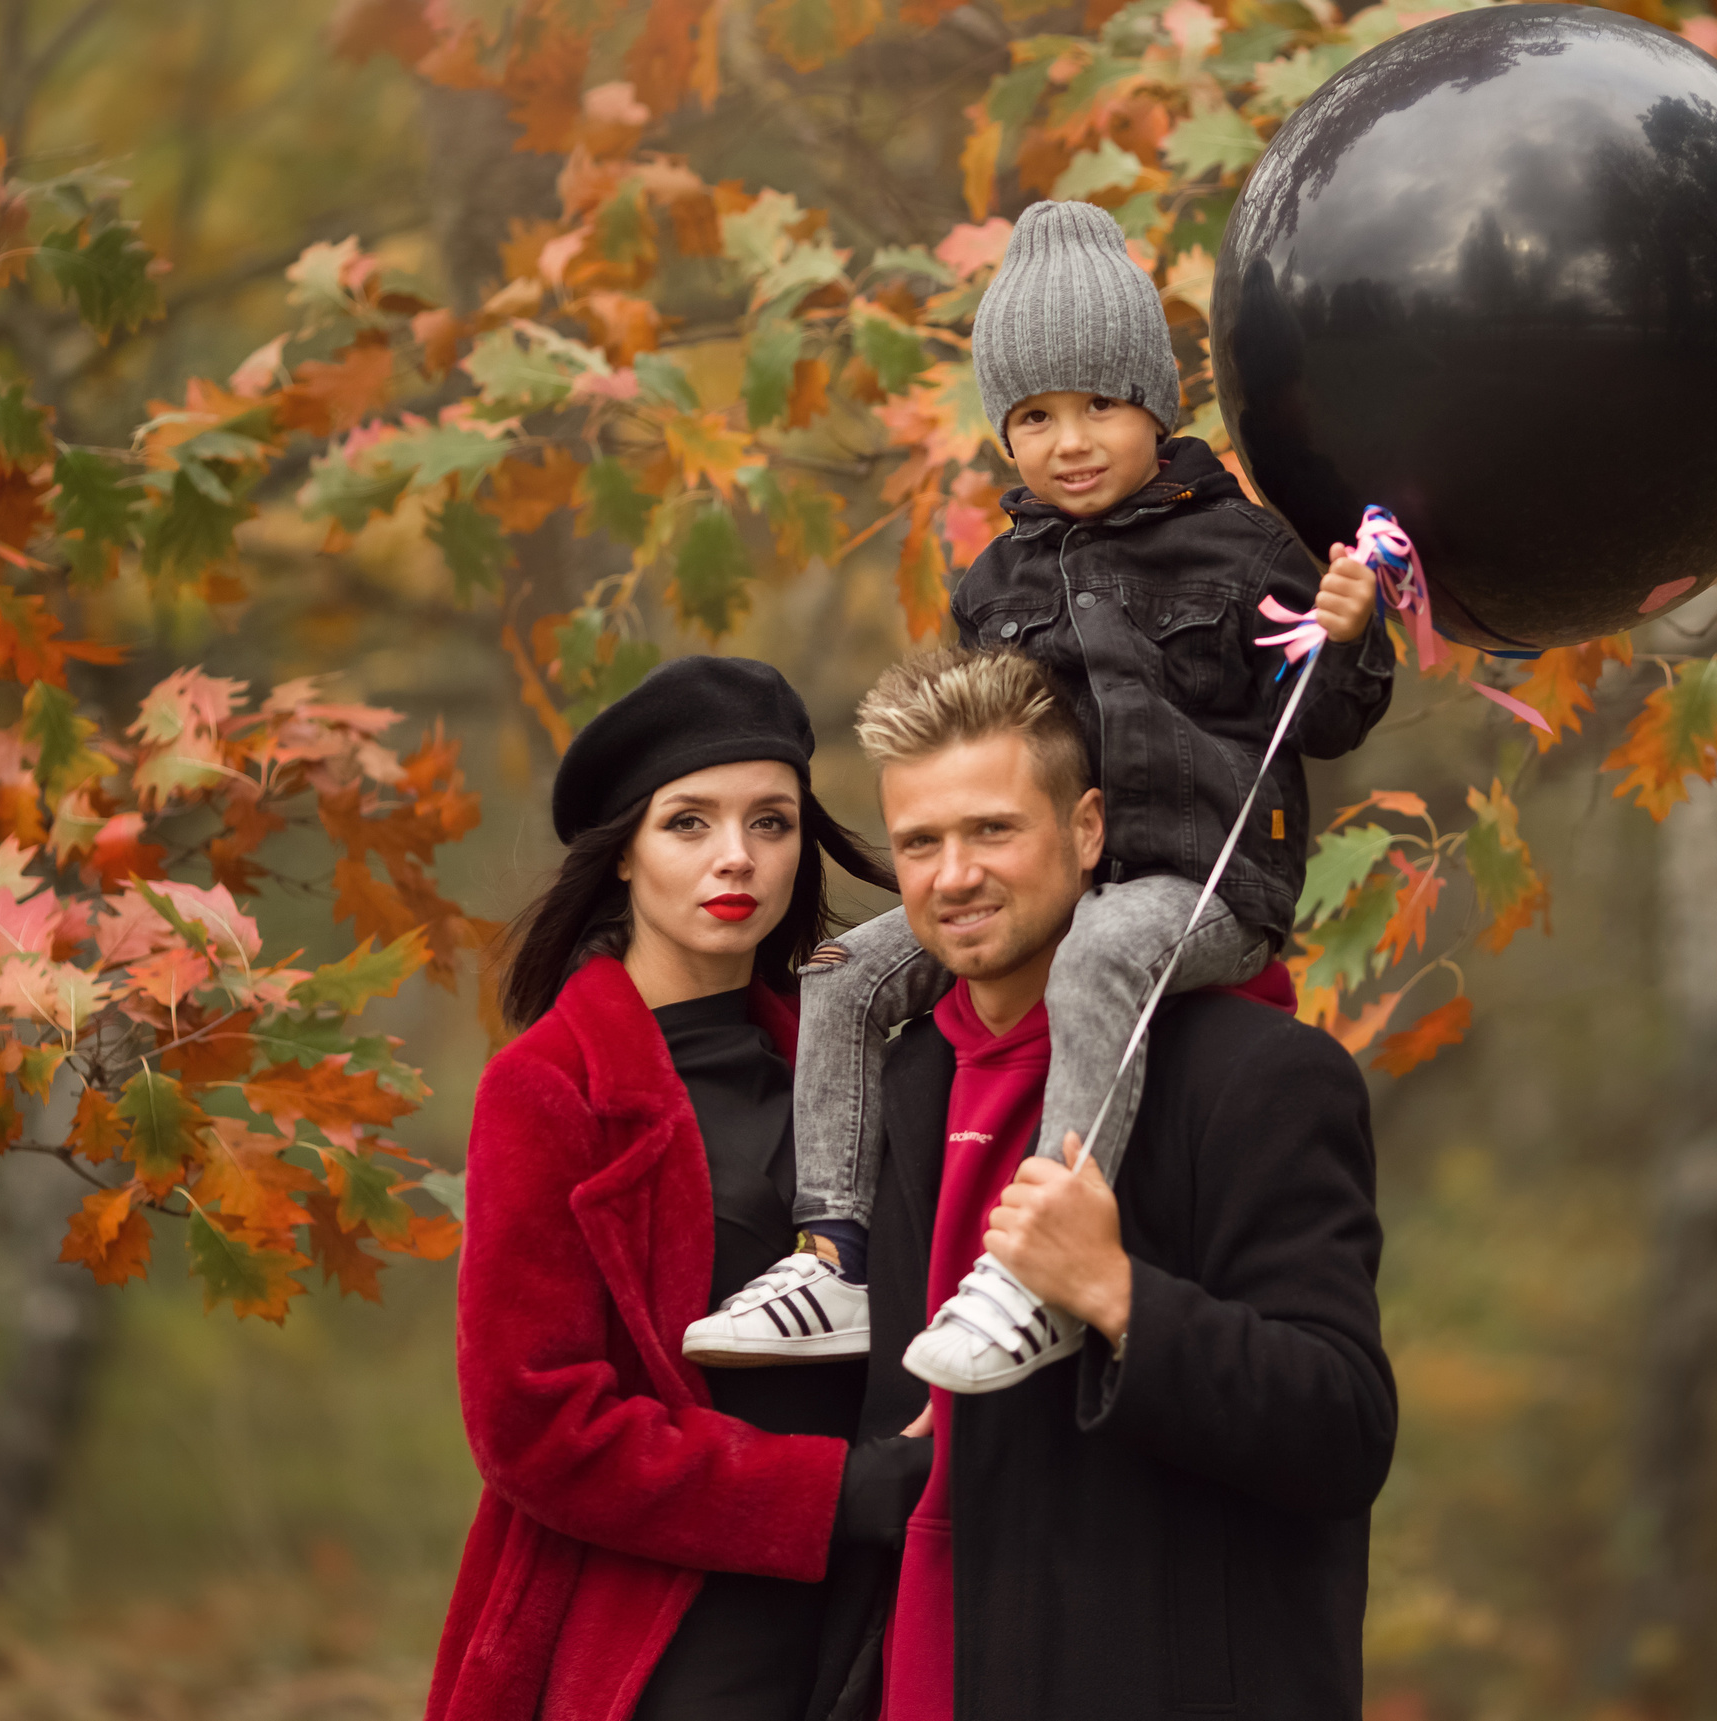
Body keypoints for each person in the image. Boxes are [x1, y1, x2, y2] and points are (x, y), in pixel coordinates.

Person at [685, 198, 1399, 1394]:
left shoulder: (1241, 549)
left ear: (1153, 404)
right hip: (1049, 874)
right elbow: (975, 744)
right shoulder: (995, 581)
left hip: (1198, 879)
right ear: (1002, 433)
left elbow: (1325, 722)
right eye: (1033, 416)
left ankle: (1034, 1269)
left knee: (1100, 952)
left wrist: (1346, 639)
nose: (1069, 440)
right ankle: (834, 1254)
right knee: (844, 973)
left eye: (1098, 406)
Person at [810, 647, 1396, 1721]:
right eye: (920, 843)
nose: (954, 874)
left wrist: (1117, 1292)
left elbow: (1343, 1426)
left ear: (1086, 832)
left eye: (992, 829)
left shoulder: (1254, 1076)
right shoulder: (902, 1082)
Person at [424, 656, 932, 1721]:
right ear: (623, 855)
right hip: (662, 1629)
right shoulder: (549, 1088)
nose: (736, 856)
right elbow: (534, 1423)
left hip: (878, 1610)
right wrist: (832, 1493)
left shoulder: (857, 1066)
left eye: (771, 821)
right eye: (688, 823)